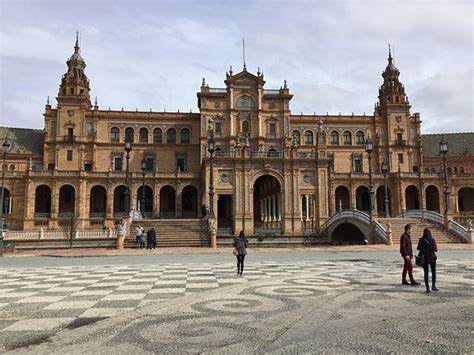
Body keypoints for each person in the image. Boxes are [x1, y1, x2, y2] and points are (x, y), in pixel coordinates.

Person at [417, 228, 438, 293]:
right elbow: (435, 249)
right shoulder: (432, 240)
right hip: (432, 257)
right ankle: (433, 286)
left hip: (424, 258)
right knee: (433, 272)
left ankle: (427, 288)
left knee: (426, 273)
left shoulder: (421, 240)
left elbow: (418, 248)